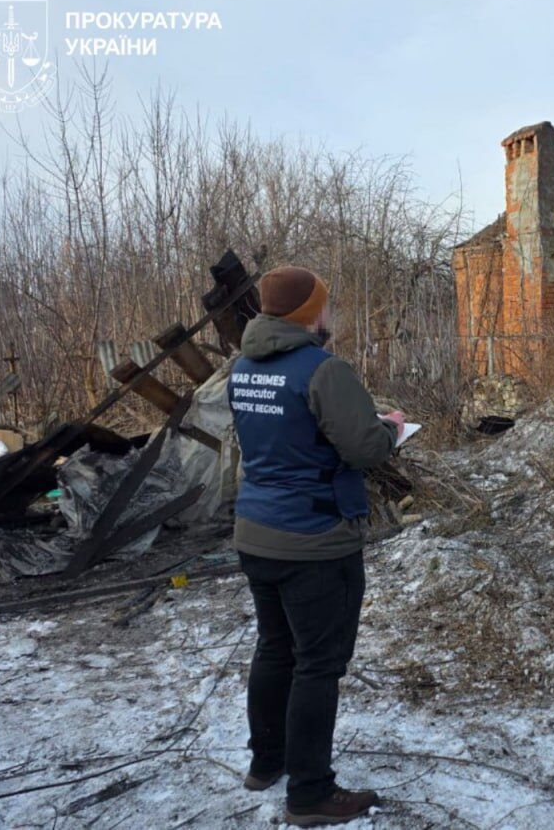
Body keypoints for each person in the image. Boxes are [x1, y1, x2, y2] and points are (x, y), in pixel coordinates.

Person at [228, 265, 403, 826]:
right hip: (315, 540)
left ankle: (266, 762)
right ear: (309, 311)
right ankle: (310, 794)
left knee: (275, 647)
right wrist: (392, 428)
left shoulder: (241, 369)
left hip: (257, 533)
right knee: (318, 665)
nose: (327, 313)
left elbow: (281, 436)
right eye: (323, 304)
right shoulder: (323, 370)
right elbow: (364, 449)